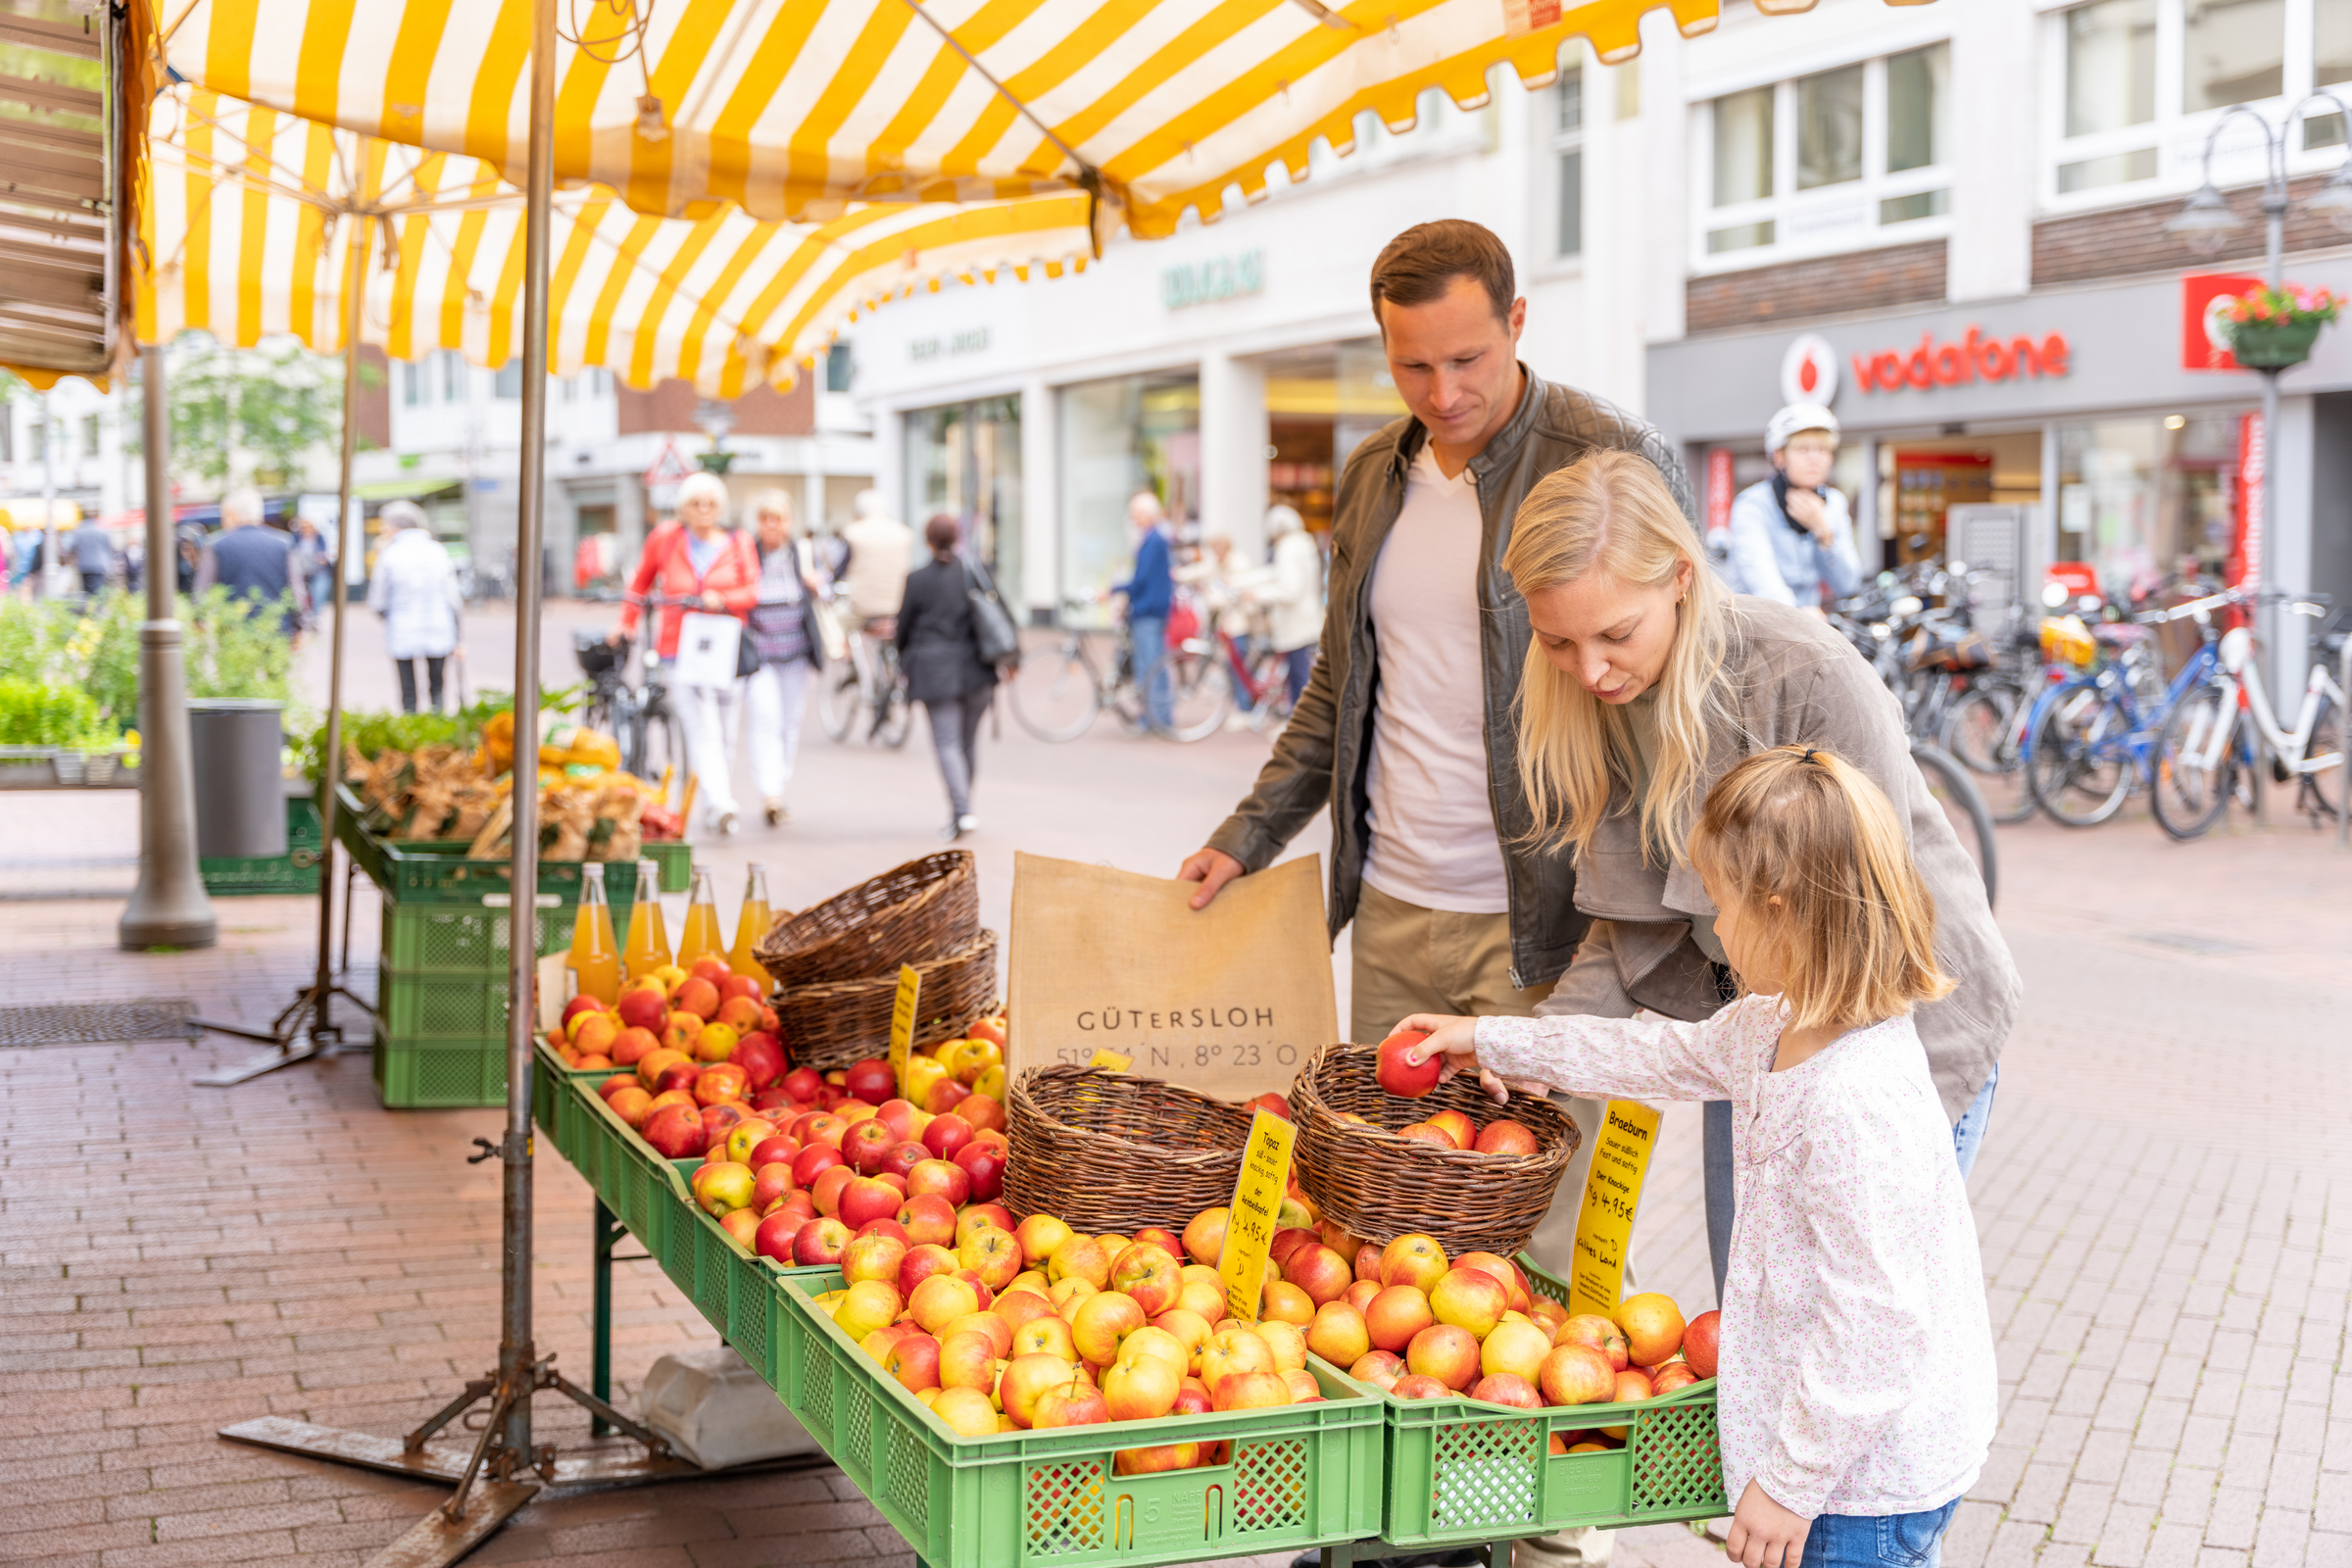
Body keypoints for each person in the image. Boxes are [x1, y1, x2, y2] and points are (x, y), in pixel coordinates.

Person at [1394, 745, 1997, 1568]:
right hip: (1828, 1463)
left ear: (1780, 913)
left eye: (1720, 906)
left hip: (1861, 1488)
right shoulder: (1772, 1025)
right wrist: (1489, 1039)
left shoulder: (1855, 1100)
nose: (1714, 928)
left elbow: (1877, 1323)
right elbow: (1652, 1059)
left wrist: (1789, 1483)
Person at [1496, 450, 2016, 1318]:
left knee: (1846, 1319)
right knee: (1756, 1315)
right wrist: (1537, 1049)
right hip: (1765, 1033)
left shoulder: (1805, 676)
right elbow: (1627, 930)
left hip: (1901, 1039)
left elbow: (1877, 925)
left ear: (1681, 580)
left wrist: (1799, 1109)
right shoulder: (1609, 703)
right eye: (1557, 643)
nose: (1589, 672)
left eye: (1615, 634)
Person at [1178, 218, 1691, 1041]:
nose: (1443, 395)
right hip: (1391, 911)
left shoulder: (1611, 454)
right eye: (1411, 366)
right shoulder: (1372, 475)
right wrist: (1248, 836)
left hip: (1555, 921)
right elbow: (1336, 689)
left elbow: (1684, 691)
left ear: (1516, 321)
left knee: (1542, 1170)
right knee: (1387, 1170)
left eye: (1467, 361)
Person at [612, 471, 760, 836]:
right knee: (700, 725)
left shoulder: (738, 541)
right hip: (679, 647)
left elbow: (752, 591)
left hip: (726, 646)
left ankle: (712, 802)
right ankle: (722, 803)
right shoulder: (666, 538)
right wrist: (626, 621)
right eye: (696, 503)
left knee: (724, 731)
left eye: (710, 503)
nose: (704, 510)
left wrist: (721, 599)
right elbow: (641, 582)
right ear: (684, 507)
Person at [897, 514, 998, 840]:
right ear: (956, 538)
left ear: (928, 540)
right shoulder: (973, 573)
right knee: (966, 743)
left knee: (948, 743)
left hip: (935, 672)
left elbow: (903, 629)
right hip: (977, 670)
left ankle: (962, 811)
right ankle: (962, 811)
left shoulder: (917, 579)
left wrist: (902, 660)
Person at [1724, 404, 1863, 611]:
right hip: (1756, 626)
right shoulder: (1752, 505)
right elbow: (1761, 579)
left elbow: (1849, 584)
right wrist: (1800, 620)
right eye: (1803, 449)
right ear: (1780, 457)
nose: (1814, 458)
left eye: (1823, 450)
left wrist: (1823, 531)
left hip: (1810, 629)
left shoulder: (1834, 503)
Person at [744, 488, 825, 826]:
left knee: (790, 723)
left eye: (778, 519)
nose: (771, 525)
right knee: (765, 720)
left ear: (789, 522)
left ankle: (779, 784)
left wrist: (816, 583)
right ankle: (770, 794)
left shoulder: (801, 554)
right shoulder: (748, 553)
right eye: (765, 518)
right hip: (761, 654)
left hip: (795, 653)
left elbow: (829, 590)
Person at [367, 501, 462, 714]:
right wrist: (458, 636)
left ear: (394, 526)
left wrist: (391, 617)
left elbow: (377, 600)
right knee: (437, 688)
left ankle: (411, 735)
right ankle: (438, 732)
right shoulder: (438, 551)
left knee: (408, 692)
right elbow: (453, 598)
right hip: (439, 626)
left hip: (402, 629)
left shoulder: (389, 554)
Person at [1244, 504, 1324, 708]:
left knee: (1298, 676)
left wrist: (1257, 594)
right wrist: (1243, 581)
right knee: (1297, 674)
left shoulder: (1289, 549)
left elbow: (1289, 589)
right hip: (1304, 620)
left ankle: (1298, 723)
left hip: (1296, 623)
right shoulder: (1303, 544)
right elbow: (1276, 573)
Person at [196, 487, 302, 634]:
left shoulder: (215, 545)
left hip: (233, 635)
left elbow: (202, 594)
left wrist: (199, 623)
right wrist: (300, 627)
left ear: (231, 514)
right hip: (276, 630)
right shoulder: (284, 543)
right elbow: (296, 591)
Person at [1110, 490, 1174, 730]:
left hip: (1149, 611)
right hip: (1150, 609)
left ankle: (1155, 718)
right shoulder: (1155, 538)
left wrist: (1117, 588)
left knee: (1150, 667)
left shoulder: (1153, 540)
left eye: (1136, 514)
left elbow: (1142, 579)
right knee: (1152, 665)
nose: (1133, 519)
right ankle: (1157, 716)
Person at [838, 488, 912, 626]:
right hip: (897, 605)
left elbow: (841, 568)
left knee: (834, 620)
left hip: (863, 608)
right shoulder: (904, 533)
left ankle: (842, 648)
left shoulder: (852, 532)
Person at [291, 516, 336, 621]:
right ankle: (304, 617)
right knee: (300, 595)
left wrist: (323, 557)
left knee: (318, 594)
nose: (306, 529)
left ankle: (315, 618)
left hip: (320, 572)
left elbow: (327, 554)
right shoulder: (296, 538)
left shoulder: (320, 538)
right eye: (304, 526)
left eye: (309, 526)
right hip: (302, 573)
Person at [69, 514, 115, 598]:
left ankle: (89, 607)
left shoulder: (79, 531)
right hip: (99, 564)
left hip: (84, 564)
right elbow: (109, 548)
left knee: (87, 590)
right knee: (99, 589)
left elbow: (72, 547)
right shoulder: (102, 531)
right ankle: (97, 608)